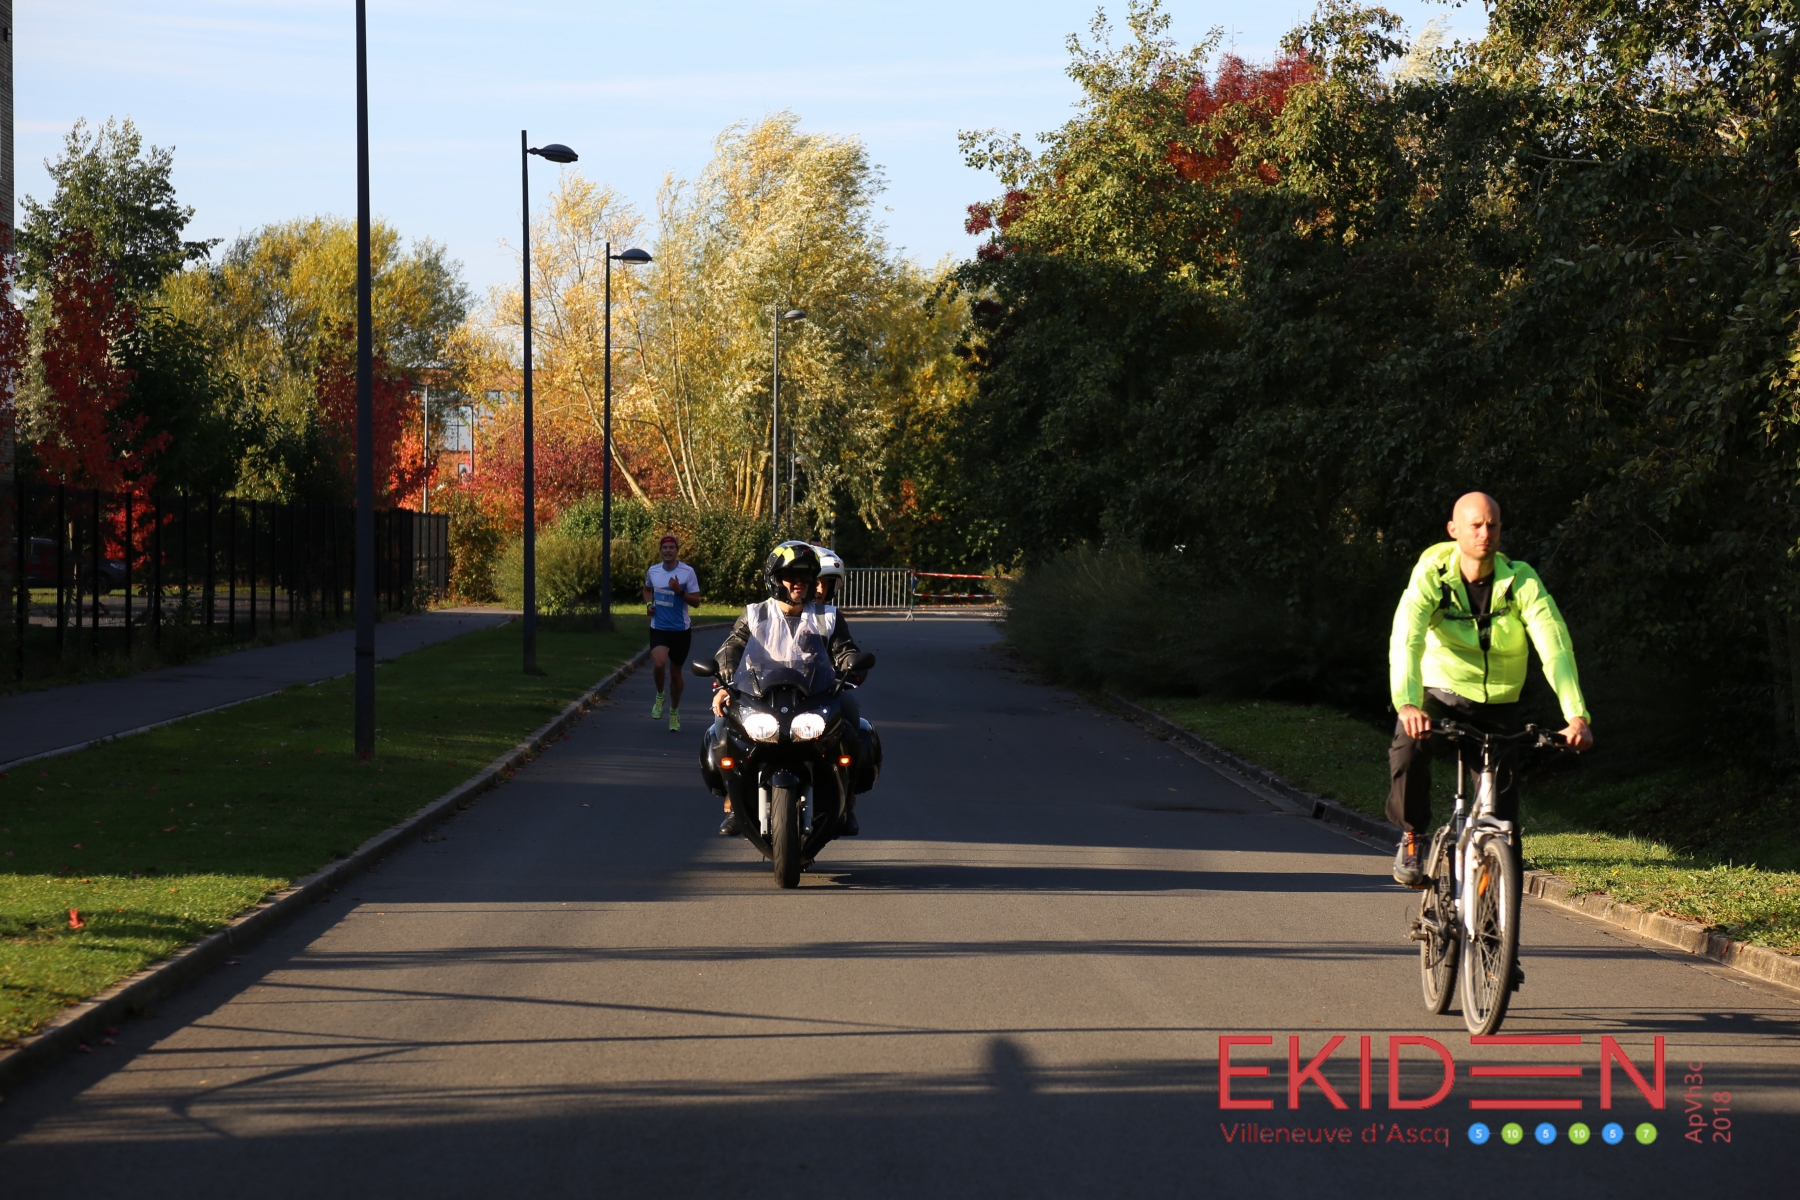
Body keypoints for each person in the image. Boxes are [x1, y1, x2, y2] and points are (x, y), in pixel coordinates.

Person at [1388, 492, 1594, 891]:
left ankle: (1495, 921)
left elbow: (1554, 647)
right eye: (1476, 526)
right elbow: (1407, 640)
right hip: (1439, 695)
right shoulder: (1433, 576)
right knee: (1409, 747)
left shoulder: (1520, 581)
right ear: (1454, 530)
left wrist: (1576, 715)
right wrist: (1408, 703)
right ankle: (1412, 836)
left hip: (1499, 705)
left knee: (1505, 828)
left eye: (1493, 525)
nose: (1485, 533)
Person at [709, 541, 869, 837]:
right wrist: (725, 678)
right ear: (774, 579)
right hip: (760, 695)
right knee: (722, 727)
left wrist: (850, 664)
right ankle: (734, 803)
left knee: (851, 716)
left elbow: (844, 648)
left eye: (806, 576)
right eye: (791, 576)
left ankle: (846, 803)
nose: (800, 582)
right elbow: (732, 647)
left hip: (814, 695)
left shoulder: (826, 615)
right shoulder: (755, 614)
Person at [644, 534, 702, 733]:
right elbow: (647, 590)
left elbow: (696, 602)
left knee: (676, 675)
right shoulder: (653, 571)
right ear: (660, 551)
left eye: (671, 547)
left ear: (677, 550)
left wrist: (679, 591)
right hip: (659, 627)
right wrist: (649, 605)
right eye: (664, 548)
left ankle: (674, 711)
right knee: (659, 664)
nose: (668, 551)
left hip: (680, 630)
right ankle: (660, 695)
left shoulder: (687, 572)